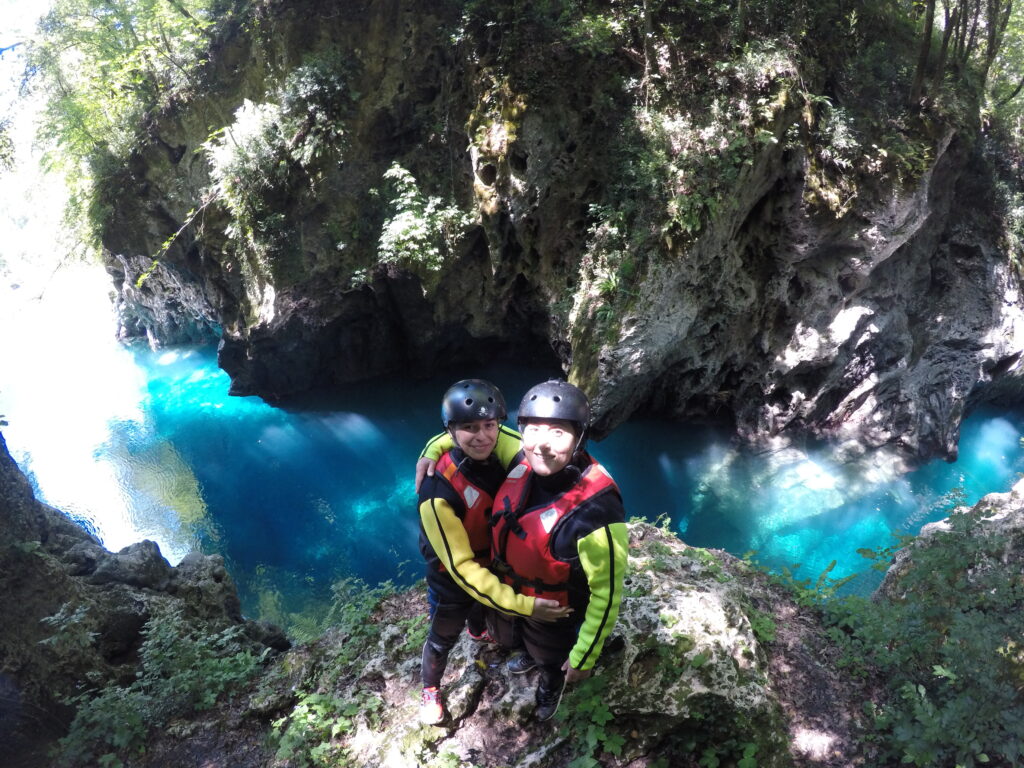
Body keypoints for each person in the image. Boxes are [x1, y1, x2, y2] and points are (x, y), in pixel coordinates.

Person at [417, 379, 569, 725]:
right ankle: (430, 688)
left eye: (489, 425)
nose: (482, 436)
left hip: (497, 563)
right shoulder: (437, 492)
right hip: (452, 577)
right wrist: (526, 606)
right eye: (469, 428)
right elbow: (462, 569)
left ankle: (477, 629)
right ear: (452, 432)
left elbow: (541, 448)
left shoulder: (502, 450)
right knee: (442, 636)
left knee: (481, 613)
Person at [487, 379, 628, 722]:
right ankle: (533, 656)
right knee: (525, 638)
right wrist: (431, 451)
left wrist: (583, 657)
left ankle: (552, 680)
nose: (541, 445)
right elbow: (473, 435)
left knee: (552, 656)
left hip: (560, 611)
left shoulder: (597, 511)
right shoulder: (523, 460)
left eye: (558, 433)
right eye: (532, 430)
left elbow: (606, 597)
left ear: (579, 439)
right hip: (520, 595)